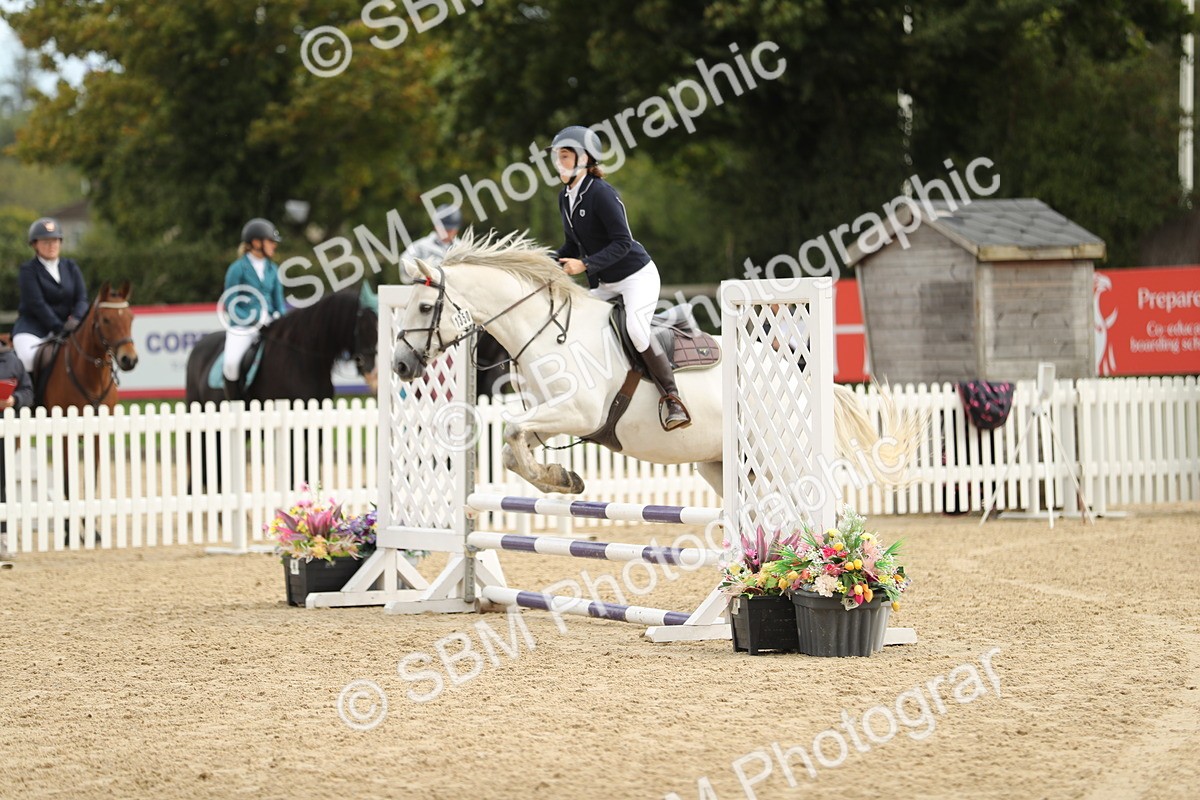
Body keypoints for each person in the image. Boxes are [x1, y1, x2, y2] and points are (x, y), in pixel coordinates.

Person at [548, 125, 690, 430]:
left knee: (637, 330)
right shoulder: (565, 197)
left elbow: (623, 242)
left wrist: (584, 265)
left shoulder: (601, 193)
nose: (558, 163)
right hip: (605, 284)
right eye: (556, 157)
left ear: (584, 158)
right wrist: (544, 261)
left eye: (565, 156)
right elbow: (571, 246)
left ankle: (673, 398)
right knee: (575, 323)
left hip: (636, 276)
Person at [12, 218, 89, 374]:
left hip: (68, 328)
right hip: (33, 330)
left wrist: (76, 319)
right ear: (34, 244)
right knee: (28, 360)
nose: (51, 245)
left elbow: (82, 299)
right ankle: (29, 396)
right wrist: (60, 328)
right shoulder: (28, 270)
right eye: (45, 241)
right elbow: (37, 304)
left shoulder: (70, 266)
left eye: (54, 240)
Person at [222, 218, 287, 400]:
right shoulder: (237, 269)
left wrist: (280, 321)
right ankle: (234, 402)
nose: (274, 246)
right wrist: (251, 321)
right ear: (256, 243)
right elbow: (230, 303)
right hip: (243, 327)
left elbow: (279, 302)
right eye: (270, 241)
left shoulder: (273, 269)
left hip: (270, 324)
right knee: (231, 363)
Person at [0, 333, 34, 560]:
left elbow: (29, 392)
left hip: (3, 431)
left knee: (1, 483)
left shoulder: (12, 360)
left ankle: (2, 536)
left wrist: (14, 401)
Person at [399, 204, 463, 282]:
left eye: (450, 230)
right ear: (436, 226)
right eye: (444, 229)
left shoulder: (462, 249)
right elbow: (404, 266)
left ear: (457, 229)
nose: (447, 233)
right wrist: (430, 266)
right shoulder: (419, 246)